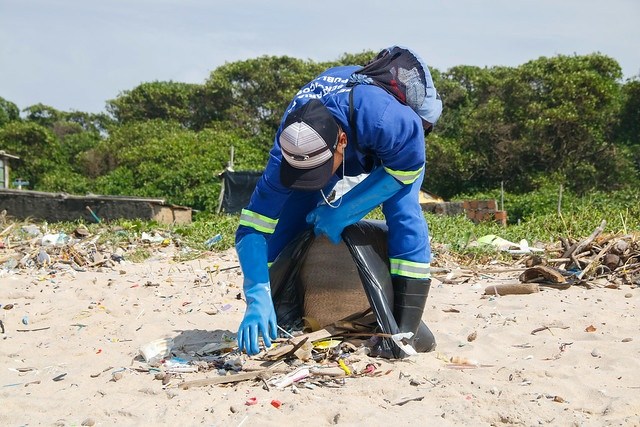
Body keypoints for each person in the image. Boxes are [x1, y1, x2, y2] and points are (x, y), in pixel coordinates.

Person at [234, 46, 443, 356]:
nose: (313, 180)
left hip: (389, 147)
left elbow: (405, 169)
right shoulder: (288, 151)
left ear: (341, 143)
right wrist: (257, 292)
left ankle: (405, 325)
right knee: (292, 215)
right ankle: (281, 308)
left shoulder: (390, 121)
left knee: (402, 208)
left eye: (318, 172)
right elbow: (252, 227)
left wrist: (344, 211)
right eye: (303, 173)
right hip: (338, 139)